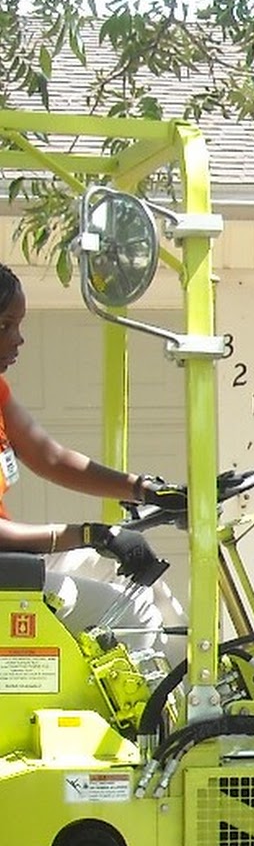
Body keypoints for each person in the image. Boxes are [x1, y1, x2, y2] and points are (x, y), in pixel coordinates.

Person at [1, 261, 178, 649]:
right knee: (136, 616)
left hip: (10, 563)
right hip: (5, 571)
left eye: (18, 325)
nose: (18, 339)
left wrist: (143, 489)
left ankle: (194, 702)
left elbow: (51, 457)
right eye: (5, 326)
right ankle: (148, 711)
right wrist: (89, 534)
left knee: (148, 584)